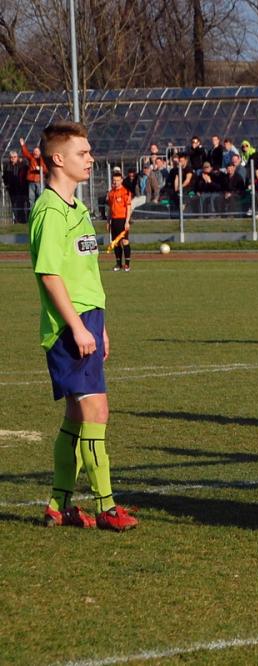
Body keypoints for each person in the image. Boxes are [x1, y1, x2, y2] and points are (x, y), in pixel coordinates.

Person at [28, 121, 138, 531]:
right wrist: (76, 326)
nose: (91, 159)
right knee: (97, 411)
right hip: (68, 325)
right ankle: (108, 507)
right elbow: (50, 275)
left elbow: (84, 274)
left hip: (87, 320)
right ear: (58, 159)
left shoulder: (77, 208)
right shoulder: (50, 210)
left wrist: (99, 324)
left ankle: (58, 505)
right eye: (82, 153)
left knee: (77, 417)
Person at [105, 172, 133, 272]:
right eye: (114, 180)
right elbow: (110, 209)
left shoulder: (125, 192)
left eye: (117, 180)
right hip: (114, 220)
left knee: (124, 241)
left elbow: (129, 208)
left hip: (122, 220)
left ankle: (127, 264)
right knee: (116, 243)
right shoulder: (111, 193)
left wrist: (127, 221)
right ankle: (118, 264)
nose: (115, 182)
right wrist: (108, 221)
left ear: (121, 180)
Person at [20, 137, 46, 210]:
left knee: (40, 197)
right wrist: (23, 145)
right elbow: (26, 153)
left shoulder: (43, 159)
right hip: (31, 181)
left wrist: (40, 169)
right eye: (34, 151)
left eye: (37, 151)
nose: (35, 152)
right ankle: (32, 212)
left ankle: (40, 210)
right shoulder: (31, 158)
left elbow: (46, 170)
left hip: (39, 181)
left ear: (40, 152)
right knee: (31, 198)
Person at [3, 150, 29, 223]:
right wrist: (6, 183)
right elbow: (4, 176)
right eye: (11, 157)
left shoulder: (22, 165)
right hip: (12, 188)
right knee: (14, 204)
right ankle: (17, 220)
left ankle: (23, 220)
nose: (13, 159)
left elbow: (26, 174)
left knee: (21, 204)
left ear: (17, 157)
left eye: (14, 157)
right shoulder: (7, 166)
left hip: (21, 188)